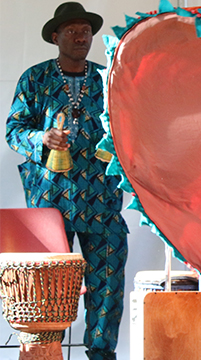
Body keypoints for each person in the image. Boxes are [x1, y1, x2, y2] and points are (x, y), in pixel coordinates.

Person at [5, 3, 128, 360]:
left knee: (108, 286)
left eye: (85, 31)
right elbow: (14, 130)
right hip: (50, 202)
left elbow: (127, 130)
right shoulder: (35, 78)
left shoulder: (108, 80)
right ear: (56, 37)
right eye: (72, 31)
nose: (81, 37)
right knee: (49, 287)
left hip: (102, 202)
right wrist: (41, 140)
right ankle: (46, 353)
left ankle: (101, 356)